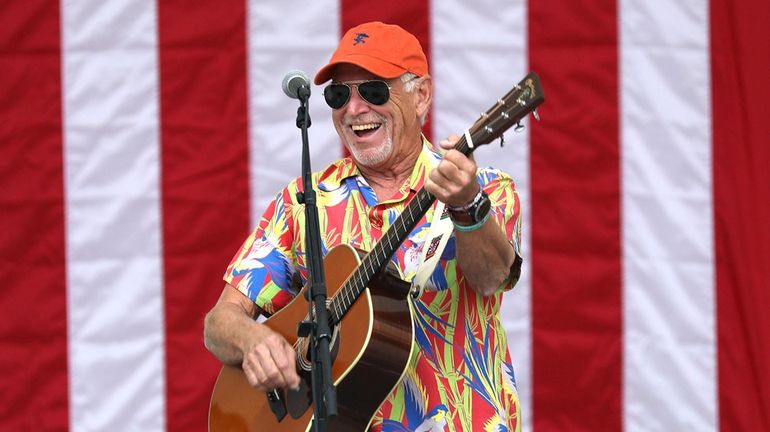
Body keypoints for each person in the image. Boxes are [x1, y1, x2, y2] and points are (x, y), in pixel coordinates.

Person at [204, 21, 523, 431]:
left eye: (373, 91)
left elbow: (491, 279)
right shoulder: (304, 202)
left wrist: (467, 207)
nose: (354, 109)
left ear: (421, 95)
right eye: (339, 94)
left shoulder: (485, 189)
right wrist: (253, 341)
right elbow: (218, 323)